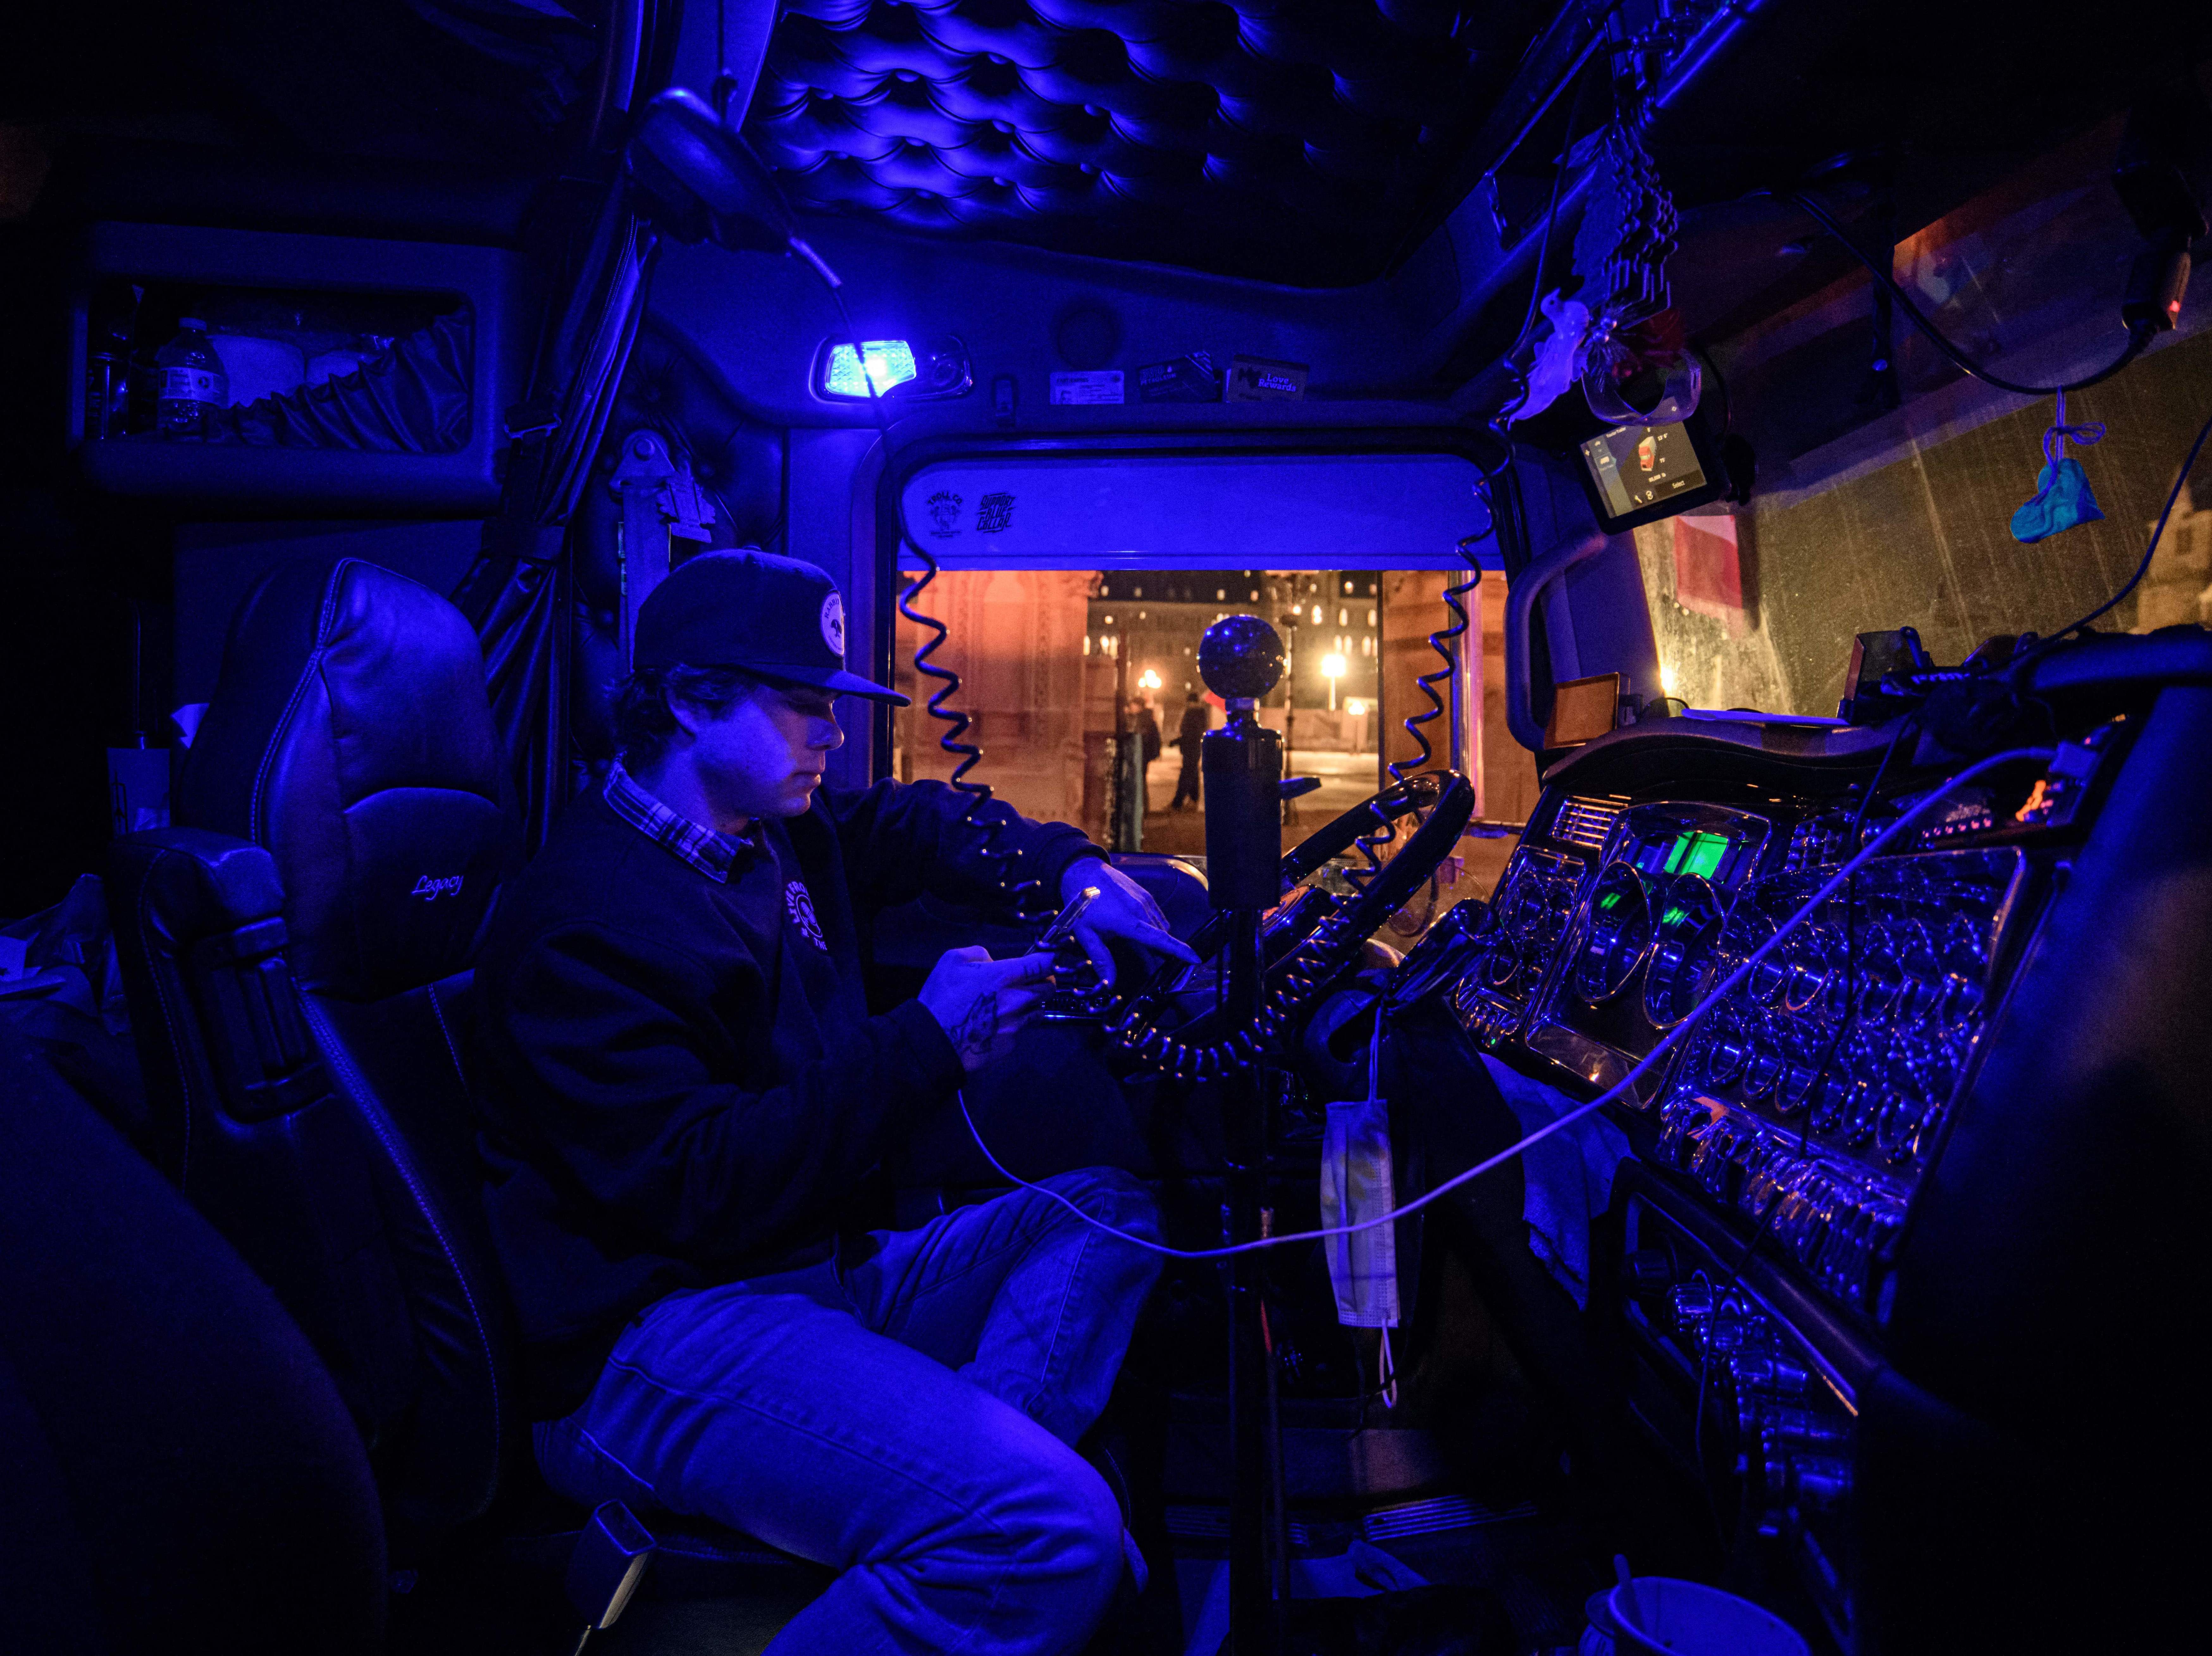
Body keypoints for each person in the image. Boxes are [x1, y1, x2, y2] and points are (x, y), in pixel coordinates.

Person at [473, 550, 1198, 1656]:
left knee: (1108, 1212)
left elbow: (913, 824)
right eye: (801, 704)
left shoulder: (771, 831)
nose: (831, 730)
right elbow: (702, 1186)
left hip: (798, 1271)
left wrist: (1072, 868)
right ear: (690, 700)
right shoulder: (588, 920)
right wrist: (927, 1044)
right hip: (650, 1338)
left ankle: (961, 1481)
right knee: (1051, 1532)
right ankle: (997, 1516)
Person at [1170, 690, 1208, 810]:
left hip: (1190, 748)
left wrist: (1178, 741)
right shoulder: (1200, 713)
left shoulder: (1193, 713)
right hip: (1193, 748)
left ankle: (1178, 803)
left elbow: (1190, 733)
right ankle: (1193, 800)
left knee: (1186, 774)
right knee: (1193, 774)